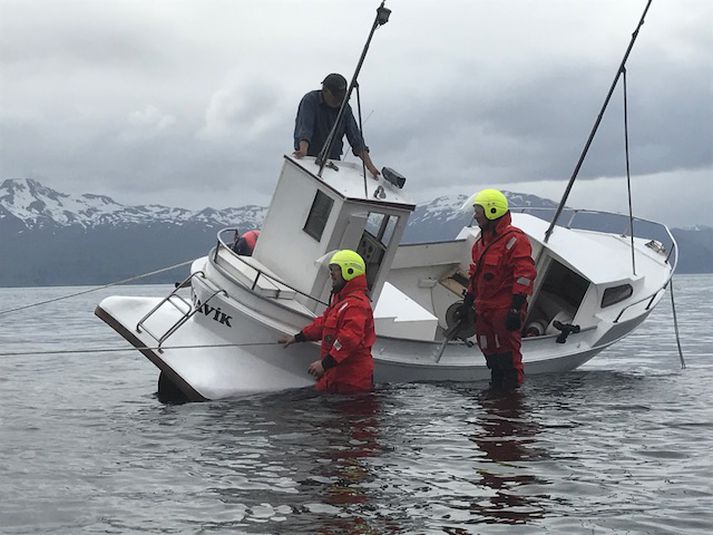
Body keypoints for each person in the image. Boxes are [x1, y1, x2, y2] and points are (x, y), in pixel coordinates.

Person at [462, 189, 537, 390]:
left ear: (492, 211)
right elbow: (477, 275)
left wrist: (515, 307)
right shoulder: (481, 243)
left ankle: (512, 400)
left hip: (504, 308)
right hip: (484, 309)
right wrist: (468, 299)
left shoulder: (515, 240)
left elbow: (525, 274)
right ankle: (497, 393)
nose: (475, 215)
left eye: (479, 210)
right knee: (490, 353)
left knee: (508, 357)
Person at [278, 249, 376, 393]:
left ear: (349, 271)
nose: (331, 274)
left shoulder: (356, 305)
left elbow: (348, 339)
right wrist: (297, 337)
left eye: (335, 269)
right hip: (336, 377)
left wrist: (325, 364)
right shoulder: (341, 302)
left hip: (351, 383)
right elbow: (323, 325)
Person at [293, 73, 380, 178]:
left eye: (342, 98)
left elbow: (356, 139)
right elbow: (305, 128)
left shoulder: (345, 108)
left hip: (333, 162)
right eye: (336, 97)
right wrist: (303, 150)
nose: (339, 101)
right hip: (307, 159)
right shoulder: (310, 101)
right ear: (324, 90)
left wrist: (370, 166)